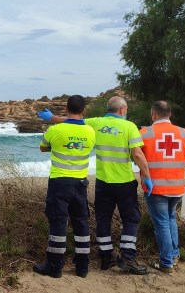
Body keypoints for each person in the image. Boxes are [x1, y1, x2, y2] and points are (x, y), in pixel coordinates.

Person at [38, 96, 151, 275]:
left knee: (102, 220)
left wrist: (51, 118)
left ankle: (106, 257)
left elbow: (72, 121)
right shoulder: (128, 126)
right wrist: (146, 175)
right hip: (123, 181)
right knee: (130, 219)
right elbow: (137, 154)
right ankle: (126, 258)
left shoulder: (95, 124)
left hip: (102, 182)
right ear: (123, 110)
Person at [33, 95, 95, 278]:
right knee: (81, 223)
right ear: (84, 111)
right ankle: (83, 267)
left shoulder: (56, 130)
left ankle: (54, 267)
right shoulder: (91, 132)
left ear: (66, 109)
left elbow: (43, 148)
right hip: (81, 183)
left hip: (60, 183)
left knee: (58, 222)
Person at [139, 101, 185, 273]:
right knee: (171, 219)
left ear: (153, 114)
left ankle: (166, 263)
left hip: (155, 188)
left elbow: (135, 156)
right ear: (170, 114)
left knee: (162, 224)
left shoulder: (144, 133)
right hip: (177, 187)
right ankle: (174, 254)